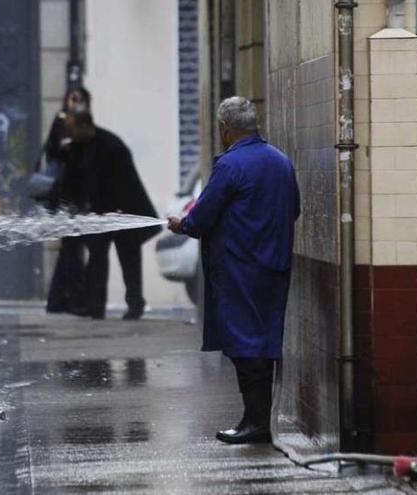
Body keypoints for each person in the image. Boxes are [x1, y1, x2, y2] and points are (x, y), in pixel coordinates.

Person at [168, 96, 300, 444]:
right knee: (263, 341)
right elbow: (294, 209)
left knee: (245, 345)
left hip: (241, 268)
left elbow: (201, 218)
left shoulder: (230, 166)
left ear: (224, 129)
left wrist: (181, 224)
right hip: (275, 266)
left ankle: (255, 423)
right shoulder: (281, 161)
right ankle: (255, 420)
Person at [66, 109, 160, 320]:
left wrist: (115, 213)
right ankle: (95, 307)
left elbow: (126, 184)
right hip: (99, 214)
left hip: (124, 212)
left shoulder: (112, 146)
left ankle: (135, 305)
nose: (70, 133)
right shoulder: (80, 147)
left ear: (84, 126)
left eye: (73, 128)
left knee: (129, 260)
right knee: (97, 259)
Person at [42, 87, 91, 315]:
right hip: (66, 197)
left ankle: (61, 299)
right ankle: (69, 299)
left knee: (70, 250)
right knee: (71, 250)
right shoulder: (62, 122)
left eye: (79, 100)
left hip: (78, 196)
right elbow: (52, 151)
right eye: (72, 99)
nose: (75, 103)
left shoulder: (84, 124)